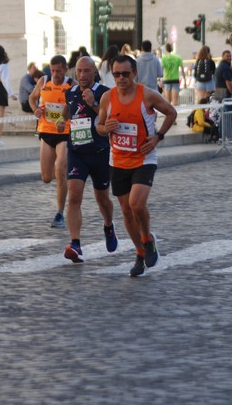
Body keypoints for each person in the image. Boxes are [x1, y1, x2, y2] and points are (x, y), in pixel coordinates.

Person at [96, 54, 177, 277]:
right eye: (117, 74)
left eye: (126, 74)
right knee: (126, 211)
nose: (121, 78)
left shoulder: (147, 95)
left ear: (135, 74)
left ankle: (147, 238)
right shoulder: (107, 98)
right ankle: (141, 253)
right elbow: (99, 126)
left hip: (144, 158)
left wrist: (158, 136)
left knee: (136, 204)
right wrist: (106, 128)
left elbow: (171, 112)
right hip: (118, 160)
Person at [56, 55, 118, 262]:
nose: (82, 75)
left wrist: (93, 104)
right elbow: (68, 111)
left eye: (86, 71)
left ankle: (109, 225)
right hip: (76, 152)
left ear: (94, 72)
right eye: (79, 71)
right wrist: (60, 121)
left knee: (102, 198)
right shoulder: (70, 92)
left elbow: (109, 119)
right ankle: (75, 244)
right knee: (74, 195)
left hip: (99, 153)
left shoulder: (105, 93)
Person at [29, 55, 74, 228]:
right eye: (53, 70)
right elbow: (32, 98)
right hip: (46, 132)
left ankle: (60, 213)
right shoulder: (43, 81)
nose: (55, 74)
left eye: (59, 71)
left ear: (66, 69)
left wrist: (65, 117)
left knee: (60, 170)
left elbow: (76, 105)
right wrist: (35, 110)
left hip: (65, 132)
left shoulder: (72, 85)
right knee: (47, 177)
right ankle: (62, 186)